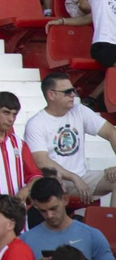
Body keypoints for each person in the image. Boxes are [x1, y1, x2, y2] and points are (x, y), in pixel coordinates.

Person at [25, 71, 116, 201]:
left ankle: (112, 215)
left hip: (83, 176)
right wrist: (73, 177)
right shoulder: (36, 123)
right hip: (54, 179)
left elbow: (111, 132)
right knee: (52, 182)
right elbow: (42, 161)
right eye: (67, 92)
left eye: (73, 90)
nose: (73, 95)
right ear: (51, 95)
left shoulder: (80, 110)